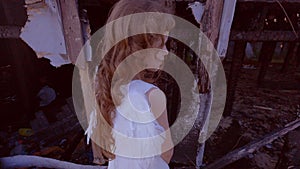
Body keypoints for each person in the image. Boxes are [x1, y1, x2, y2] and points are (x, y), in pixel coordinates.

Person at [91, 0, 175, 168]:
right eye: (162, 44)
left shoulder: (103, 84)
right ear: (138, 49)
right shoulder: (152, 95)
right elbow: (166, 152)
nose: (166, 52)